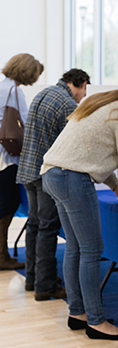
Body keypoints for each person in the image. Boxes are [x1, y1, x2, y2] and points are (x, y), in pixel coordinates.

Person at [40, 77, 118, 341]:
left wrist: (117, 188)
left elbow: (92, 150)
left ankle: (78, 313)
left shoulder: (105, 102)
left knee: (75, 247)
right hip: (73, 178)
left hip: (53, 174)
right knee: (92, 250)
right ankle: (96, 321)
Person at [17, 69, 90, 301]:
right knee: (48, 228)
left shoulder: (43, 93)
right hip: (46, 172)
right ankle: (45, 286)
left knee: (35, 225)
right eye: (85, 89)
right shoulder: (67, 104)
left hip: (28, 168)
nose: (84, 95)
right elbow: (70, 146)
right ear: (79, 83)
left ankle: (32, 278)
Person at [0, 53, 44, 270]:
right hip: (7, 158)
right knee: (7, 205)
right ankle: (1, 255)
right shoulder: (14, 91)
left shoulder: (2, 87)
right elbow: (27, 124)